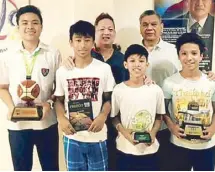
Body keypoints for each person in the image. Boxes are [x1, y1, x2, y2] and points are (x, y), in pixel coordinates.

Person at [0, 5, 60, 171]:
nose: (30, 27)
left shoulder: (53, 53)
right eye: (24, 23)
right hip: (18, 126)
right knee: (21, 169)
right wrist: (12, 108)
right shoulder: (7, 55)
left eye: (35, 23)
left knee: (51, 168)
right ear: (18, 27)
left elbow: (59, 88)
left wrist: (48, 103)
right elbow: (2, 87)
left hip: (46, 123)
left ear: (41, 26)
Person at [54, 20, 115, 171]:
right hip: (72, 136)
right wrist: (61, 118)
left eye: (87, 40)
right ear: (71, 42)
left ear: (93, 42)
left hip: (97, 135)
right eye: (78, 40)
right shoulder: (62, 72)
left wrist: (102, 117)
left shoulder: (103, 69)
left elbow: (109, 99)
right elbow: (58, 100)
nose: (82, 45)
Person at [162, 32, 215, 171]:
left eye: (194, 53)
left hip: (206, 146)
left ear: (201, 56)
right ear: (179, 56)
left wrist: (213, 128)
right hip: (178, 145)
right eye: (184, 53)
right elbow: (163, 110)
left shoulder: (211, 82)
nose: (189, 58)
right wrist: (172, 127)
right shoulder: (169, 82)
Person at [111, 44, 165, 171]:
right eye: (132, 61)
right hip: (124, 149)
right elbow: (114, 118)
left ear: (147, 64)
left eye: (141, 61)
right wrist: (126, 134)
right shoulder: (118, 90)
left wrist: (152, 133)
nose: (137, 64)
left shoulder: (155, 90)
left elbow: (159, 117)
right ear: (125, 64)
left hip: (150, 151)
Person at [178, 0, 214, 71]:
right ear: (188, 1)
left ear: (211, 2)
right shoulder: (171, 24)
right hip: (178, 78)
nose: (199, 3)